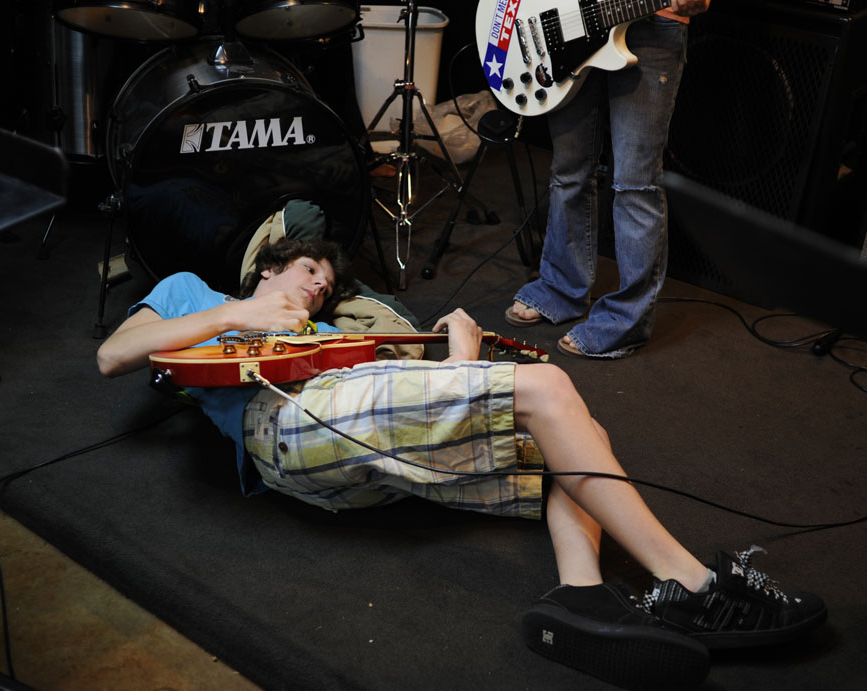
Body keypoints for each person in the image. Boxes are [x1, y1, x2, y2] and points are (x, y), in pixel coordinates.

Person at [98, 237, 826, 690]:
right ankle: (692, 582)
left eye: (327, 285)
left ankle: (579, 596)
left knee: (573, 431)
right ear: (268, 265)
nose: (319, 286)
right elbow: (114, 355)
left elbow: (412, 401)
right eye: (310, 270)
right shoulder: (197, 293)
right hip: (286, 424)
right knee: (547, 387)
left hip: (351, 443)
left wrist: (464, 363)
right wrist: (238, 315)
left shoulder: (326, 333)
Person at [506, 1, 711, 358]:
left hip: (652, 28)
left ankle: (624, 321)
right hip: (571, 17)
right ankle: (560, 287)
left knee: (635, 184)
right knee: (569, 169)